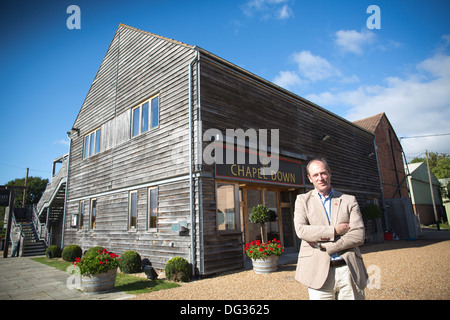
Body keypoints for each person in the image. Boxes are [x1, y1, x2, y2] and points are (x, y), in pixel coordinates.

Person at [294, 158, 368, 300]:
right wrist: (335, 230)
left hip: (348, 270)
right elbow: (301, 231)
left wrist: (329, 246)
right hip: (318, 272)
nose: (320, 178)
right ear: (310, 178)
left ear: (329, 173)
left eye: (323, 173)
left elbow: (358, 235)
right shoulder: (302, 200)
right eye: (315, 175)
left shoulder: (348, 200)